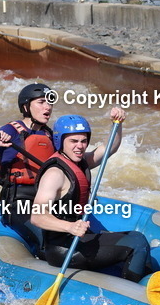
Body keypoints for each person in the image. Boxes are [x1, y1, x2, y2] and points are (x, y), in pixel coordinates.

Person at [30, 110, 150, 282]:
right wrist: (69, 227)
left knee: (135, 237)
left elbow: (109, 149)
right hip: (63, 249)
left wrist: (117, 124)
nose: (79, 146)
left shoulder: (79, 161)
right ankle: (135, 294)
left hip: (77, 239)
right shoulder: (54, 174)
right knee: (137, 243)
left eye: (83, 141)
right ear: (60, 141)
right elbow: (37, 217)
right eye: (73, 141)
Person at [0, 83, 56, 246]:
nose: (48, 107)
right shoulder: (10, 131)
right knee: (50, 241)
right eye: (41, 102)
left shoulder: (49, 134)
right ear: (26, 107)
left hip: (45, 200)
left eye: (50, 102)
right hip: (18, 203)